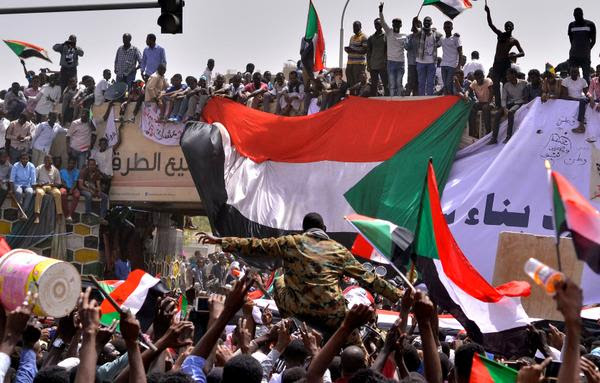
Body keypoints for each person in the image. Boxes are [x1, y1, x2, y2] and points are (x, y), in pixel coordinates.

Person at [197, 212, 402, 346]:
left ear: (304, 230)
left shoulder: (291, 242)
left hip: (298, 310)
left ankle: (289, 318)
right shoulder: (339, 250)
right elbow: (368, 278)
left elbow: (256, 245)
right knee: (359, 353)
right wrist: (398, 295)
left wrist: (222, 241)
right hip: (332, 314)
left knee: (279, 280)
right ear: (324, 229)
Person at [484, 2, 525, 108]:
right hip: (497, 62)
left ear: (513, 28)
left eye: (510, 26)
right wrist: (488, 13)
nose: (508, 27)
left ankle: (508, 104)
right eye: (506, 26)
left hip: (506, 63)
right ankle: (498, 105)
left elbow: (522, 53)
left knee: (507, 85)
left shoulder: (514, 40)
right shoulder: (500, 35)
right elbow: (490, 25)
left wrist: (513, 56)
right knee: (496, 85)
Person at [379, 2, 406, 97]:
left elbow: (408, 46)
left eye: (398, 24)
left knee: (399, 83)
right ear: (392, 24)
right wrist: (381, 11)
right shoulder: (389, 32)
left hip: (400, 63)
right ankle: (392, 100)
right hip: (391, 62)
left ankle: (398, 101)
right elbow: (382, 22)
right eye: (394, 24)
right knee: (392, 84)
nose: (396, 25)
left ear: (401, 25)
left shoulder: (404, 36)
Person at [411, 16, 442, 96]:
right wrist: (413, 22)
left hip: (432, 62)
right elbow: (414, 30)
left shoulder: (435, 33)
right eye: (425, 21)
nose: (427, 22)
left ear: (431, 23)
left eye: (428, 21)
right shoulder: (420, 31)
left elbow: (443, 39)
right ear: (423, 23)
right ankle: (422, 99)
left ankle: (429, 99)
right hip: (420, 62)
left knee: (430, 83)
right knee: (421, 82)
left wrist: (454, 35)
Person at [494, 67, 527, 144]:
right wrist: (504, 108)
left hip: (519, 103)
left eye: (508, 74)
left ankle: (508, 136)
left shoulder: (524, 83)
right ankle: (493, 138)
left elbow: (526, 96)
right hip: (510, 103)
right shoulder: (506, 85)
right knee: (498, 114)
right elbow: (504, 99)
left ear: (514, 75)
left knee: (511, 112)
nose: (507, 76)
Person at [568, 8, 596, 84]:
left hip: (585, 56)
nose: (576, 16)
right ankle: (574, 94)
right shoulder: (571, 25)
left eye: (578, 14)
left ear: (582, 14)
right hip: (573, 55)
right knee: (573, 76)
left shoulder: (590, 24)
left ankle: (587, 94)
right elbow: (571, 40)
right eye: (575, 15)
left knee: (586, 76)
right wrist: (575, 48)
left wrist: (587, 49)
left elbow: (593, 41)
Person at [465, 70, 494, 139]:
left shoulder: (488, 81)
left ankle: (488, 132)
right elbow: (468, 90)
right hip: (481, 102)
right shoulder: (474, 82)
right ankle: (473, 132)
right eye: (476, 79)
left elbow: (491, 93)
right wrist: (466, 94)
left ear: (483, 77)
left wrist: (488, 103)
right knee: (472, 107)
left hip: (490, 102)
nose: (478, 80)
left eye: (479, 78)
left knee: (485, 108)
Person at [78, 158, 108, 225]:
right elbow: (80, 186)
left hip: (93, 189)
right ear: (88, 165)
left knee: (105, 197)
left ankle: (102, 217)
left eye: (93, 165)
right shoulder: (83, 172)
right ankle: (88, 216)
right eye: (91, 165)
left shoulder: (96, 172)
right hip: (83, 190)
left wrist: (99, 191)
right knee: (89, 195)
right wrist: (90, 190)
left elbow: (98, 184)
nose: (92, 166)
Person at [34, 155, 63, 224]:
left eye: (49, 162)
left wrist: (53, 185)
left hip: (51, 186)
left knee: (58, 193)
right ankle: (37, 215)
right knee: (39, 193)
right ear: (44, 161)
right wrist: (39, 184)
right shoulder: (39, 168)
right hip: (41, 186)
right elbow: (33, 181)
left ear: (51, 162)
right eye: (46, 162)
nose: (48, 164)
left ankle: (59, 215)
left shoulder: (55, 170)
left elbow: (59, 183)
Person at [562, 66, 590, 133]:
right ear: (569, 73)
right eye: (572, 72)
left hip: (580, 101)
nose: (574, 73)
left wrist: (590, 98)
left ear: (578, 73)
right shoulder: (565, 81)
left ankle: (581, 126)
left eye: (576, 72)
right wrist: (576, 99)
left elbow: (587, 93)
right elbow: (565, 96)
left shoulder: (583, 80)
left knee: (584, 102)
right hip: (569, 102)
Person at [9, 152, 36, 218]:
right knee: (18, 192)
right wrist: (11, 189)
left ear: (28, 159)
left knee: (30, 192)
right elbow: (12, 179)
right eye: (23, 159)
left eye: (26, 159)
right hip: (18, 184)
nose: (25, 160)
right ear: (20, 159)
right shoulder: (15, 165)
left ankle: (23, 210)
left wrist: (34, 189)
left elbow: (33, 179)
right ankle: (19, 209)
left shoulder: (31, 166)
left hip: (27, 184)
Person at [367, 18, 389, 96]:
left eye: (379, 24)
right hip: (373, 65)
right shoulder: (371, 38)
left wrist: (386, 62)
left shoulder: (386, 36)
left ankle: (387, 101)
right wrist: (368, 64)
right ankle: (374, 101)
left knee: (386, 84)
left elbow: (387, 50)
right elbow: (368, 52)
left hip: (383, 65)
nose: (377, 25)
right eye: (376, 24)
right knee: (374, 85)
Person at [440, 21, 462, 95]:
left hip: (452, 65)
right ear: (443, 28)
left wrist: (459, 65)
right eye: (445, 27)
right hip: (443, 64)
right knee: (445, 85)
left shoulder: (456, 38)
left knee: (449, 83)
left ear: (452, 28)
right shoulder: (442, 39)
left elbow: (460, 52)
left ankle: (451, 99)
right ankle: (447, 99)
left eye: (448, 27)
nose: (447, 29)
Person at [345, 21, 368, 88]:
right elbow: (352, 50)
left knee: (358, 83)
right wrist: (348, 50)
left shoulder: (364, 37)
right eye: (353, 26)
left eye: (356, 26)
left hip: (359, 64)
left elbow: (364, 51)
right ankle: (352, 97)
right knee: (350, 83)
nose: (354, 28)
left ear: (360, 27)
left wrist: (353, 50)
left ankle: (358, 97)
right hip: (350, 63)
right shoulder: (352, 37)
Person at [59, 157, 80, 223]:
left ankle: (70, 215)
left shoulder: (77, 171)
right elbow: (62, 181)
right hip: (64, 187)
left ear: (75, 164)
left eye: (73, 163)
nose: (71, 165)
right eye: (70, 163)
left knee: (77, 195)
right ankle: (66, 215)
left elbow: (75, 182)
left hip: (73, 188)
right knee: (62, 194)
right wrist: (67, 188)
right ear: (67, 163)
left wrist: (71, 189)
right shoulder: (62, 171)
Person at [405, 20, 421, 96]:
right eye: (416, 25)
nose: (417, 27)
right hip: (411, 63)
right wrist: (412, 37)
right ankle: (406, 100)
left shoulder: (423, 37)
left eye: (419, 25)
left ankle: (416, 99)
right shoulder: (408, 37)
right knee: (410, 82)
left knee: (418, 83)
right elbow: (407, 47)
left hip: (421, 64)